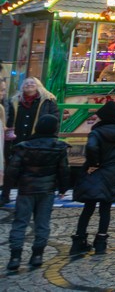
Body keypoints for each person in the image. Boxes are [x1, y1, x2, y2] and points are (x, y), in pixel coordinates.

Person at [70, 101, 115, 257]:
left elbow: (91, 147)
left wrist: (94, 163)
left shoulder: (96, 132)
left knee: (88, 207)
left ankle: (79, 241)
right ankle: (101, 243)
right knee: (106, 208)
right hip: (112, 172)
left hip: (95, 172)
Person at [6, 114, 69, 270]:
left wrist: (9, 187)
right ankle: (37, 255)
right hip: (47, 190)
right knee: (42, 223)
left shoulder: (24, 146)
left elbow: (12, 170)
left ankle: (15, 258)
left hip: (26, 190)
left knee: (20, 223)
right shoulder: (58, 147)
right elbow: (63, 170)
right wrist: (63, 188)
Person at [3, 77, 59, 205]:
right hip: (17, 140)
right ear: (22, 87)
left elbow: (55, 120)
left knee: (32, 171)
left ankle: (29, 198)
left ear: (39, 85)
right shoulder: (15, 101)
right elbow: (9, 119)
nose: (29, 84)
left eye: (32, 82)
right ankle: (5, 195)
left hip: (37, 141)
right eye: (26, 83)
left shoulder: (48, 100)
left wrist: (52, 139)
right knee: (11, 169)